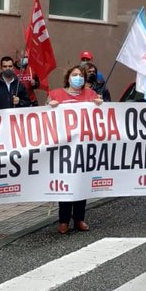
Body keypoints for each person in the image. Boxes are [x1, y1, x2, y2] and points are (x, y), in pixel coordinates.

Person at [47, 65, 104, 234]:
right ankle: (63, 220)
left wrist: (100, 105)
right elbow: (44, 117)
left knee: (81, 181)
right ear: (68, 77)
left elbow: (101, 117)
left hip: (84, 147)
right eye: (75, 74)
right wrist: (50, 106)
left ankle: (79, 218)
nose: (78, 77)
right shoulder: (56, 94)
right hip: (63, 147)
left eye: (81, 75)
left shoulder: (91, 95)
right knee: (66, 182)